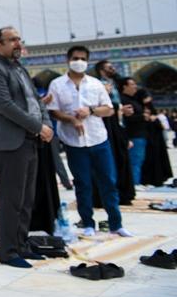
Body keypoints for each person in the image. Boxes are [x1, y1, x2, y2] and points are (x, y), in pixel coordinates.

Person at [0, 27, 54, 269]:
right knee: (11, 199)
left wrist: (46, 124)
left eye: (19, 39)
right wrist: (37, 126)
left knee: (26, 199)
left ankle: (21, 245)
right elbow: (5, 106)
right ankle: (8, 252)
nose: (18, 43)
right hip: (10, 142)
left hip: (29, 139)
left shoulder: (20, 69)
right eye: (12, 40)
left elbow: (36, 101)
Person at [47, 45, 132, 237]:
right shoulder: (57, 85)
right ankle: (87, 223)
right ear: (68, 60)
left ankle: (116, 223)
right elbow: (53, 111)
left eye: (83, 59)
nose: (79, 62)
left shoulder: (95, 84)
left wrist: (91, 111)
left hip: (98, 139)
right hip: (74, 142)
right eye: (76, 58)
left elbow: (109, 109)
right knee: (83, 184)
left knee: (108, 182)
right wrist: (71, 119)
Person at [93, 61, 134, 205]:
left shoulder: (114, 85)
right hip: (108, 128)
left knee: (121, 160)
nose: (113, 69)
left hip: (118, 127)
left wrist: (122, 110)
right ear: (101, 70)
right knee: (111, 162)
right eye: (109, 68)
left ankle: (122, 194)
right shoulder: (98, 85)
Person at [119, 77, 151, 187]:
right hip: (133, 134)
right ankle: (134, 183)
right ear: (125, 86)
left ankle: (137, 181)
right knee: (135, 159)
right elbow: (126, 118)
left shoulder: (134, 100)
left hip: (141, 133)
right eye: (132, 84)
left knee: (139, 159)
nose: (135, 86)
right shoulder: (123, 100)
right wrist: (142, 116)